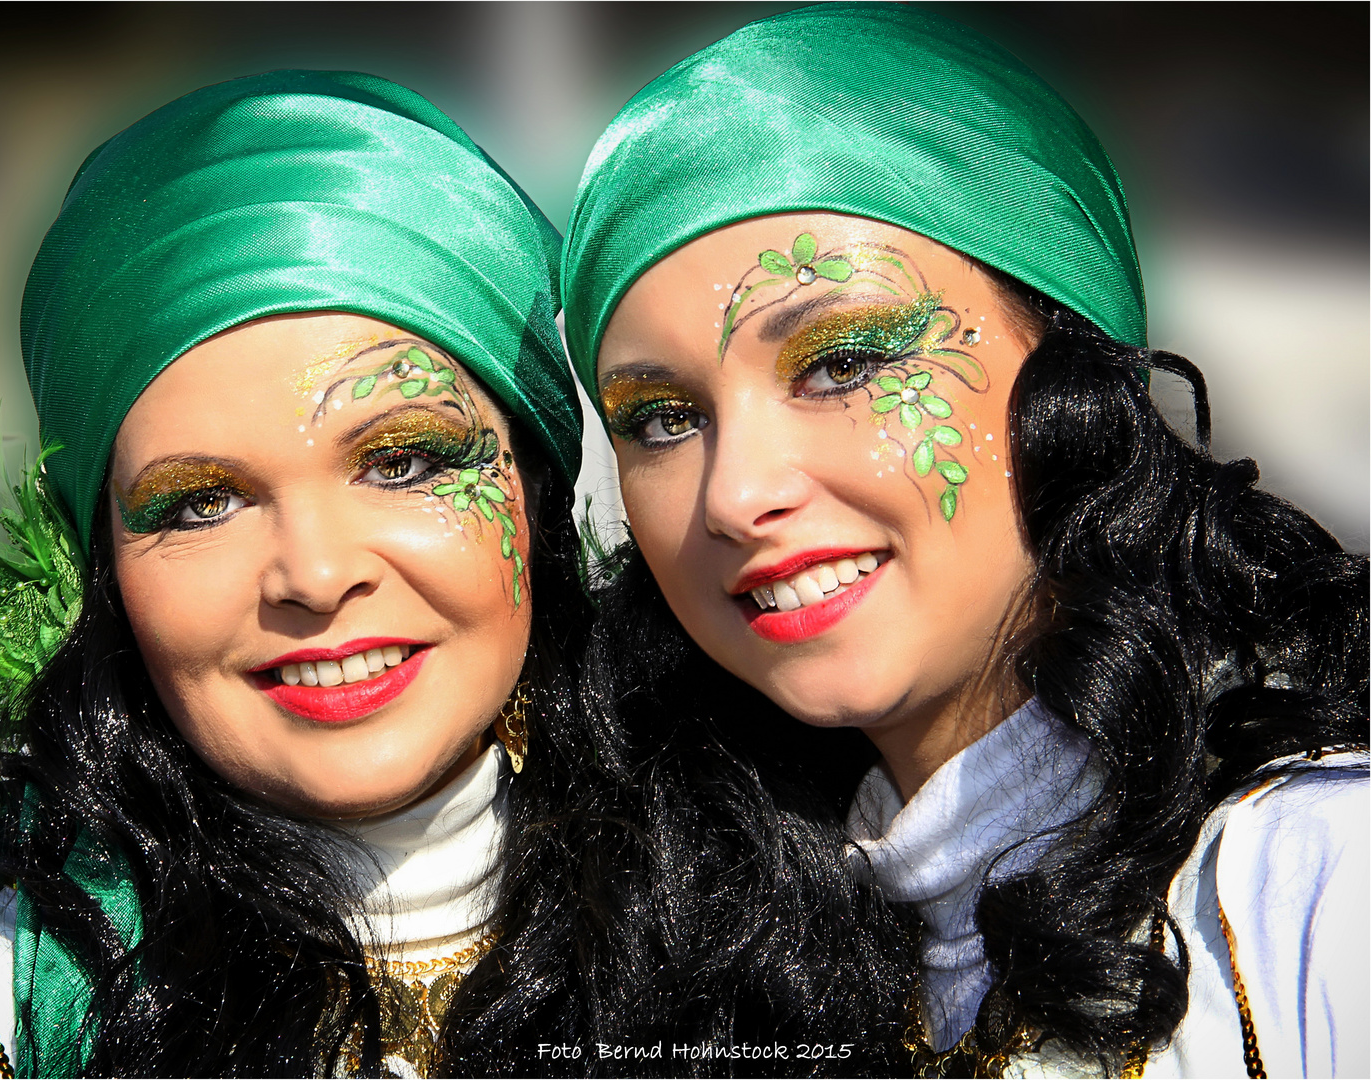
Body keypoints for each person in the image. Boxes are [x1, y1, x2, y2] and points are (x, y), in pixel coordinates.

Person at [563, 5, 1369, 1077]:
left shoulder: (1317, 877)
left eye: (843, 361)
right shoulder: (709, 949)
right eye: (663, 419)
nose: (737, 494)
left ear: (1073, 376)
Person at [0, 70, 621, 1079]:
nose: (313, 576)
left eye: (400, 461)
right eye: (199, 503)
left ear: (534, 493)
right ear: (104, 580)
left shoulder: (785, 913)